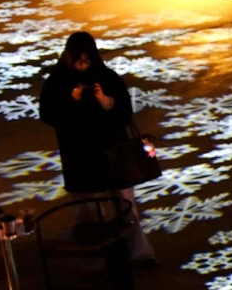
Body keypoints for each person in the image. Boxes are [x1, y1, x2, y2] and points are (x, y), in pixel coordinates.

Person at [36, 31, 156, 266]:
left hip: (113, 154)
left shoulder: (108, 77)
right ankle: (99, 258)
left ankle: (139, 255)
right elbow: (49, 114)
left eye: (87, 60)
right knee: (87, 211)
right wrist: (71, 100)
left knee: (125, 206)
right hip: (80, 157)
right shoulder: (58, 81)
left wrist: (106, 102)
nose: (83, 66)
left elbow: (124, 114)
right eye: (78, 61)